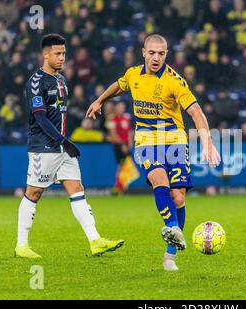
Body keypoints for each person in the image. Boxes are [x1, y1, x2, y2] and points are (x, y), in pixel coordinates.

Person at [86, 34, 221, 271]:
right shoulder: (133, 74)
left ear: (166, 54)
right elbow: (119, 86)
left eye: (161, 53)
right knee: (159, 178)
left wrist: (207, 141)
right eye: (152, 53)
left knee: (178, 196)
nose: (156, 57)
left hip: (175, 140)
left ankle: (170, 256)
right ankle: (174, 227)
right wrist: (99, 101)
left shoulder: (175, 81)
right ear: (143, 52)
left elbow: (197, 112)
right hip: (147, 140)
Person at [15, 34, 124, 259]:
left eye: (64, 53)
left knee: (77, 190)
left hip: (62, 147)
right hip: (43, 147)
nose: (62, 57)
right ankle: (21, 245)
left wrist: (65, 140)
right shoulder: (36, 82)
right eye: (57, 53)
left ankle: (95, 241)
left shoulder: (62, 80)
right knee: (33, 193)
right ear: (45, 55)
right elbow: (41, 118)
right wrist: (64, 140)